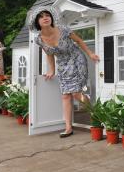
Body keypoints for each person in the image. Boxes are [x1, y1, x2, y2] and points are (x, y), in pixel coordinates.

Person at [31, 7, 99, 138]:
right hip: (62, 65)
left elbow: (78, 41)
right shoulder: (39, 39)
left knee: (76, 94)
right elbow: (49, 54)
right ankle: (68, 128)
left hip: (76, 59)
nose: (45, 17)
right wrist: (52, 70)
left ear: (51, 18)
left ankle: (94, 112)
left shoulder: (63, 29)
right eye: (41, 16)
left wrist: (90, 53)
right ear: (37, 22)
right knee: (65, 96)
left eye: (47, 15)